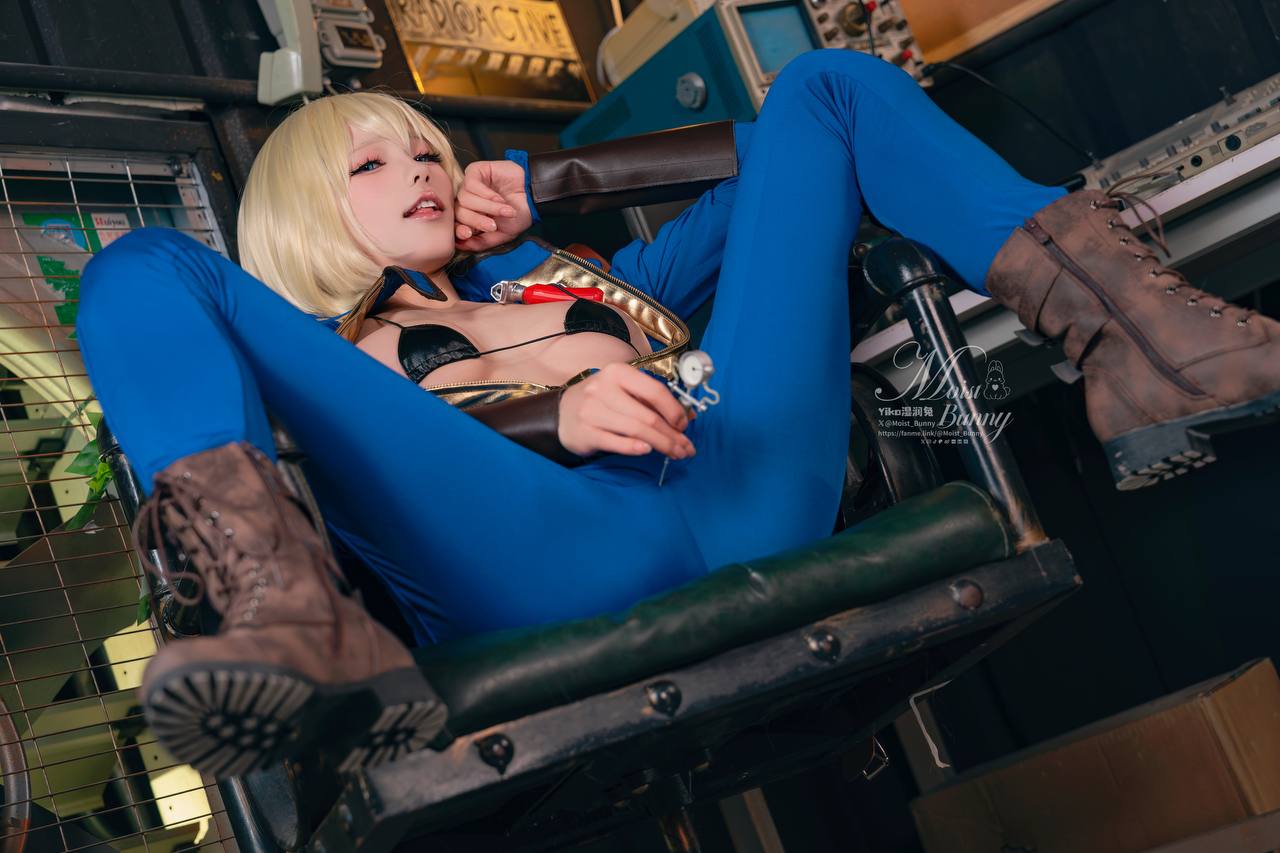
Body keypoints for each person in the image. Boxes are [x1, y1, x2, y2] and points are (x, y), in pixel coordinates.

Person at [75, 50, 1280, 780]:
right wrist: (555, 418)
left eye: (427, 149)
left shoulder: (575, 285)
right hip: (554, 561)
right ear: (305, 212)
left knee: (826, 84)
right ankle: (289, 625)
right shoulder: (331, 360)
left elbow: (798, 152)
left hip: (744, 481)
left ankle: (1146, 355)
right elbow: (399, 462)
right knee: (138, 264)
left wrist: (549, 191)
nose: (423, 170)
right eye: (372, 164)